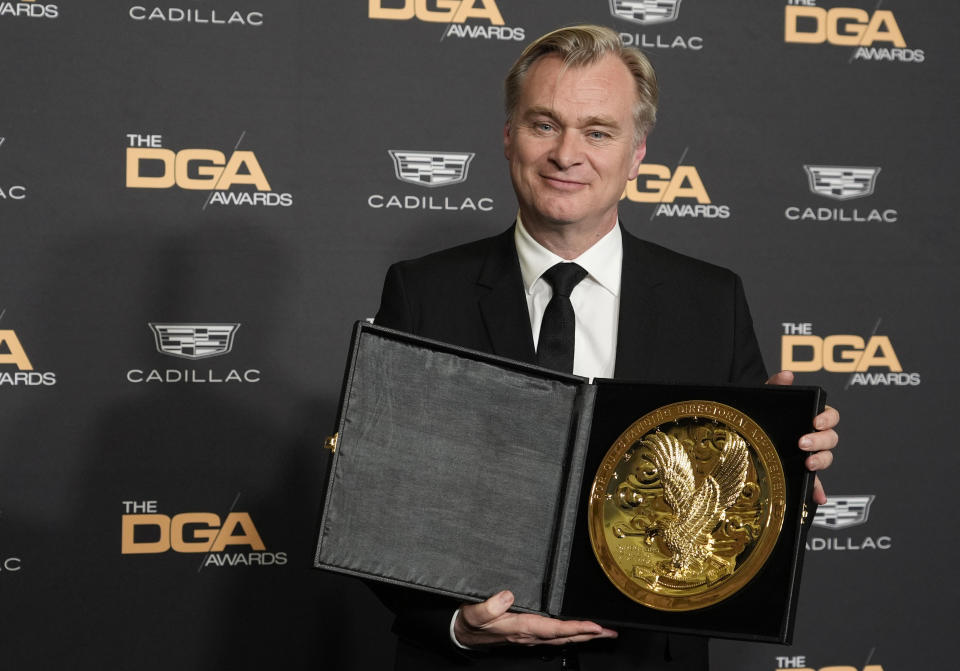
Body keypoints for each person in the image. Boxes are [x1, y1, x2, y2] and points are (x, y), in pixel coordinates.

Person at [373, 24, 838, 671]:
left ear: (636, 153)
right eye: (544, 124)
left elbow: (738, 523)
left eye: (597, 131)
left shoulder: (710, 303)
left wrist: (789, 472)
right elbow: (379, 500)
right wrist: (453, 624)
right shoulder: (424, 293)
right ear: (508, 137)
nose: (568, 153)